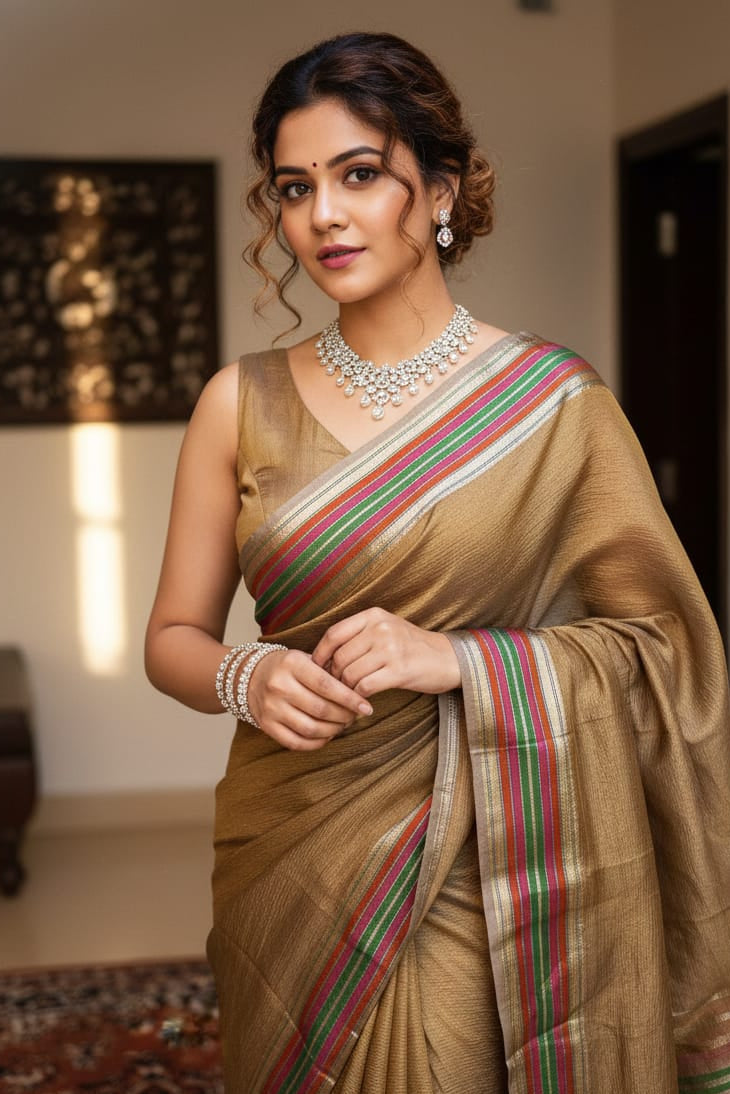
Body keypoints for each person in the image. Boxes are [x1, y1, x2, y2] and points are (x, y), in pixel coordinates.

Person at [145, 31, 730, 1094]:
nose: (322, 214)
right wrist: (251, 672)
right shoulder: (239, 402)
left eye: (360, 174)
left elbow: (666, 651)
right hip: (292, 846)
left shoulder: (556, 405)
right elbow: (172, 639)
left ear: (442, 189)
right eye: (293, 186)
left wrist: (468, 661)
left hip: (489, 852)